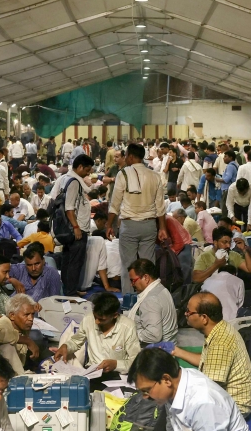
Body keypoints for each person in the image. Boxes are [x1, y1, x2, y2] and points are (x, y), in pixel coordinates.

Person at [171, 293, 251, 415]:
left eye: (189, 312)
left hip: (234, 408)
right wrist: (176, 351)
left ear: (204, 318)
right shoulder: (219, 328)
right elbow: (206, 361)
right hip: (225, 399)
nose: (185, 314)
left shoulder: (221, 342)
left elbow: (209, 389)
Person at [107, 143, 168, 293]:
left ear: (132, 156)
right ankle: (149, 298)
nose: (125, 158)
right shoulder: (154, 175)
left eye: (126, 155)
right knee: (147, 265)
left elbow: (115, 203)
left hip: (129, 226)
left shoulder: (124, 173)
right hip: (149, 226)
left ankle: (129, 302)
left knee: (128, 264)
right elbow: (160, 206)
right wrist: (162, 228)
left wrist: (109, 224)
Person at [52, 292, 141, 389]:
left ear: (115, 315)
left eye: (101, 319)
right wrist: (66, 347)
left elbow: (136, 361)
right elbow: (76, 341)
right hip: (92, 373)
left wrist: (116, 364)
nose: (96, 322)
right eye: (95, 317)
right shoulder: (88, 319)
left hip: (117, 375)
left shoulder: (127, 327)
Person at [60, 154, 95, 297]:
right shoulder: (74, 182)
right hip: (76, 229)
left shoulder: (66, 179)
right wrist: (76, 227)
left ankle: (69, 289)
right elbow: (69, 208)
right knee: (75, 262)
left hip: (70, 228)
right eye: (87, 170)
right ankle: (71, 292)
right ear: (80, 167)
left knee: (68, 260)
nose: (88, 173)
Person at [126, 258, 178, 344]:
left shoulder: (151, 300)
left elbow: (153, 336)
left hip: (156, 352)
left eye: (133, 280)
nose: (131, 284)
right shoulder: (161, 289)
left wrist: (129, 333)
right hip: (169, 347)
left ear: (146, 278)